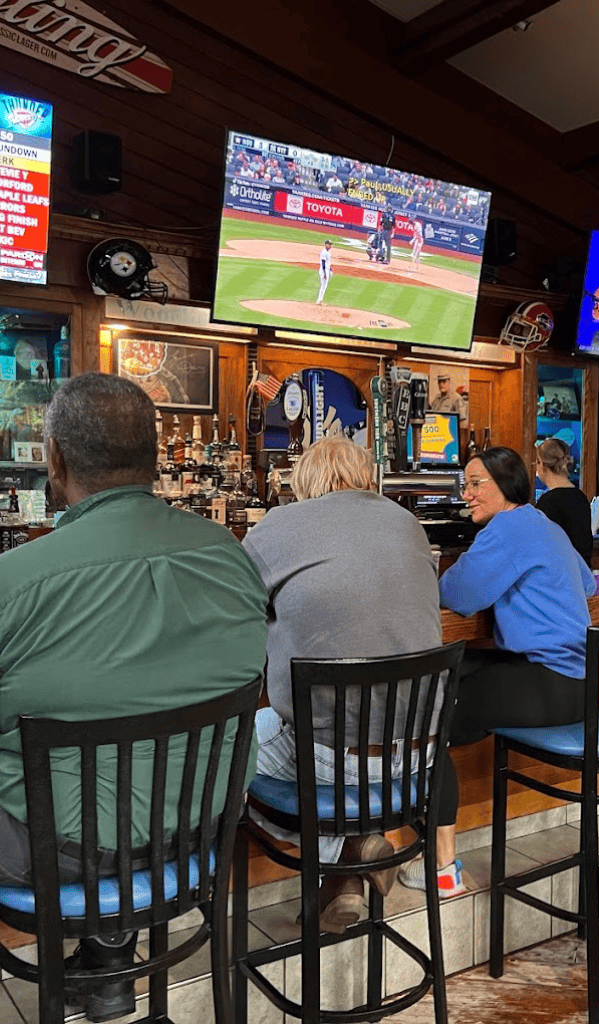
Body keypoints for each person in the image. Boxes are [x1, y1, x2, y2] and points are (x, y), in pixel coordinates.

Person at [0, 373, 268, 1021]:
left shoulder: (15, 581)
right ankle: (108, 960)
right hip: (201, 831)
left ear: (56, 459)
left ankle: (105, 956)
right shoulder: (231, 558)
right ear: (152, 458)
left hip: (60, 852)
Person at [242, 436, 442, 933]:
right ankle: (351, 853)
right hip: (418, 758)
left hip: (332, 757)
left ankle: (345, 853)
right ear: (366, 477)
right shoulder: (408, 523)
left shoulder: (277, 527)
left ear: (303, 481)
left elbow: (236, 610)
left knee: (220, 751)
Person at [399, 447, 596, 895]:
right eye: (464, 484)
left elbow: (457, 595)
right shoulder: (542, 523)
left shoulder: (507, 528)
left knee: (425, 717)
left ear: (506, 486)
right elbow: (588, 583)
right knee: (451, 674)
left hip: (544, 683)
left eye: (475, 484)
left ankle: (440, 867)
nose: (465, 494)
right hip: (574, 684)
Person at [535, 437, 593, 567]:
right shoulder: (580, 497)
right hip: (582, 572)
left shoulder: (547, 502)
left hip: (560, 574)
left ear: (542, 465)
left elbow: (542, 547)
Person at [316, 239, 332, 304]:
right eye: (329, 244)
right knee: (323, 285)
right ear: (325, 245)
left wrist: (330, 269)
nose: (330, 246)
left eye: (330, 245)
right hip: (324, 270)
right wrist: (325, 272)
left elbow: (328, 262)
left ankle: (320, 300)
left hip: (327, 270)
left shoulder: (328, 252)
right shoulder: (324, 252)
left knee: (324, 285)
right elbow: (323, 262)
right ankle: (319, 300)